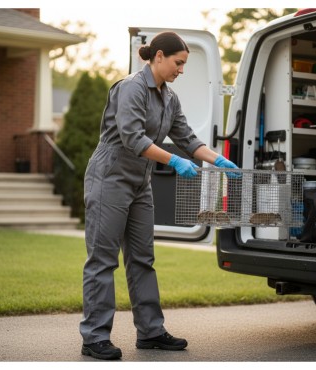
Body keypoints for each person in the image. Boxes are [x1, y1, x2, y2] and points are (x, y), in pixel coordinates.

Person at [79, 31, 239, 361]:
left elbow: (187, 138)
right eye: (178, 63)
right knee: (103, 259)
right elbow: (132, 139)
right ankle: (94, 337)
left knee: (142, 258)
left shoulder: (169, 98)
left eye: (184, 65)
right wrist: (174, 160)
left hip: (140, 182)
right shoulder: (131, 88)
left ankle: (151, 331)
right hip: (110, 177)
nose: (181, 70)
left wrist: (217, 159)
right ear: (159, 56)